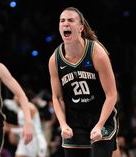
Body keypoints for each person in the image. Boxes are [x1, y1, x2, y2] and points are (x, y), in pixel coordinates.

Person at [48, 7, 119, 157]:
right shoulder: (55, 60)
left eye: (71, 20)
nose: (65, 24)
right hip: (74, 120)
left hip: (101, 116)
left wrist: (99, 125)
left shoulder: (96, 53)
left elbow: (111, 94)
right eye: (62, 21)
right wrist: (63, 124)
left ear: (80, 28)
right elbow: (57, 97)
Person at [4, 90, 47, 157]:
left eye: (16, 96)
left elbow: (28, 128)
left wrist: (10, 129)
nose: (14, 98)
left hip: (34, 138)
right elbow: (6, 102)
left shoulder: (30, 107)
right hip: (24, 138)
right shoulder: (20, 109)